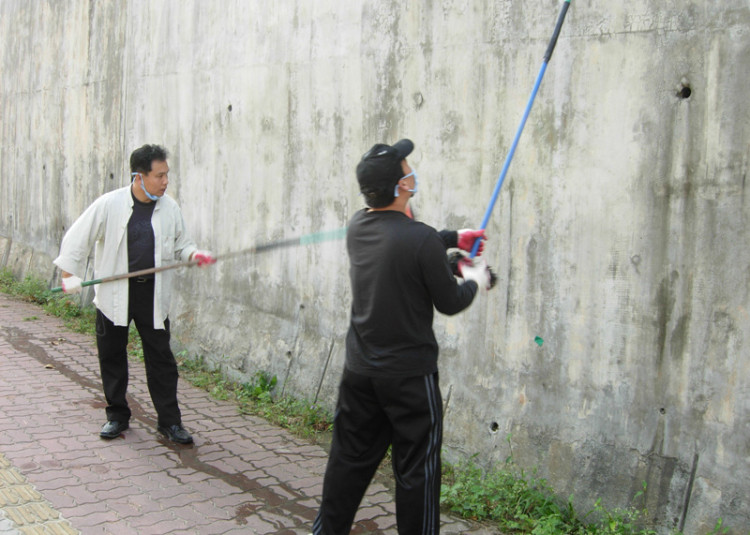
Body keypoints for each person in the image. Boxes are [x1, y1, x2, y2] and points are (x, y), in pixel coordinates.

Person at [311, 139, 496, 535]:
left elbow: (409, 242)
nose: (413, 173)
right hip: (409, 380)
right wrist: (474, 277)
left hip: (360, 375)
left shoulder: (358, 227)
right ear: (402, 186)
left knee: (347, 463)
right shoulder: (420, 239)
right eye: (407, 169)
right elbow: (449, 301)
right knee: (417, 473)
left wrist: (453, 237)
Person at [53, 144, 215, 444]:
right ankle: (117, 416)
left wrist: (195, 255)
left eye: (167, 174)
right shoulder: (109, 204)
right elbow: (78, 237)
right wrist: (69, 276)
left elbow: (183, 245)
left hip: (151, 294)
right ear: (139, 177)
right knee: (112, 356)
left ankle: (170, 422)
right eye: (159, 176)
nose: (165, 181)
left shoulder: (169, 208)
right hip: (114, 293)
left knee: (162, 360)